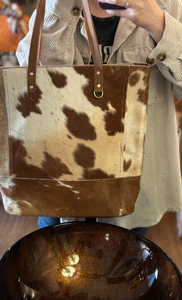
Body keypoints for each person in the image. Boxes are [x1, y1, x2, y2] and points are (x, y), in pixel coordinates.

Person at [16, 0, 182, 236]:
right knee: (54, 264)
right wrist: (59, 7)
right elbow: (35, 86)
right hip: (61, 175)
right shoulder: (54, 4)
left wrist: (158, 24)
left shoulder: (169, 3)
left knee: (124, 263)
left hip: (135, 180)